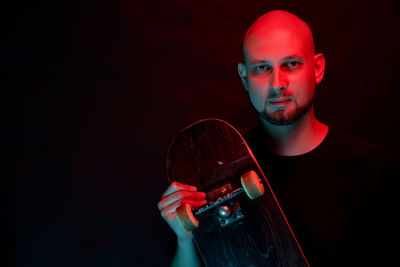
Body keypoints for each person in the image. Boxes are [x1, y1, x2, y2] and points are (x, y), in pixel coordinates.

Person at [158, 10, 397, 266]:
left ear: (317, 69)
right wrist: (184, 239)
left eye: (291, 64)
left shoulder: (375, 171)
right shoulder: (214, 173)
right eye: (262, 68)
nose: (277, 83)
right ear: (244, 77)